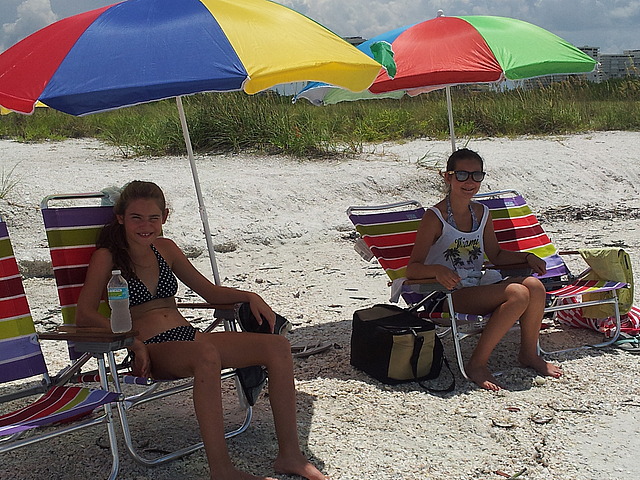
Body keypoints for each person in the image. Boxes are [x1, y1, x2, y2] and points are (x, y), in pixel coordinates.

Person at [76, 180, 327, 480]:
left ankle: (290, 456)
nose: (146, 225)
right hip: (153, 346)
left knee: (277, 347)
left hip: (190, 337)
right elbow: (84, 313)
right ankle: (221, 470)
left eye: (153, 218)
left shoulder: (166, 248)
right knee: (207, 353)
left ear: (165, 217)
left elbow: (209, 292)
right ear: (121, 218)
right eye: (136, 218)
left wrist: (249, 296)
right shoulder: (108, 257)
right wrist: (131, 340)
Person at [406, 149, 562, 391]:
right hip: (444, 294)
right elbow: (412, 270)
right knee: (518, 293)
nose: (469, 182)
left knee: (534, 286)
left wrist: (528, 257)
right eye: (462, 175)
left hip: (477, 286)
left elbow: (496, 255)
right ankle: (477, 364)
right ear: (448, 177)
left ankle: (529, 354)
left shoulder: (482, 213)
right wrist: (437, 270)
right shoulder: (434, 217)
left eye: (476, 175)